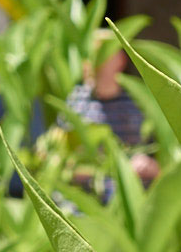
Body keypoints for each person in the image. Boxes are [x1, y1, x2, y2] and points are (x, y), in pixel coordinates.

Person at [66, 36, 158, 185]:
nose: (100, 58)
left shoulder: (137, 102)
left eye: (105, 52)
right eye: (95, 52)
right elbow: (65, 160)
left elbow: (158, 158)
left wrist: (148, 166)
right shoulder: (77, 101)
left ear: (121, 60)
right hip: (88, 192)